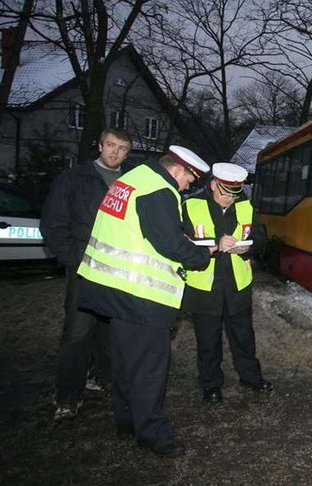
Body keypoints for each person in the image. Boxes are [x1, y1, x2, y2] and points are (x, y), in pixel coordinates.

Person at [76, 145, 214, 458]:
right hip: (142, 294)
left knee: (126, 364)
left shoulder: (132, 179)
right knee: (150, 368)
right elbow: (169, 243)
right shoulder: (159, 189)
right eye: (191, 179)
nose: (189, 185)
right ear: (178, 170)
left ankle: (127, 422)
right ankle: (153, 433)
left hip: (114, 288)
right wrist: (202, 254)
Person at [40, 127, 133, 421]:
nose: (115, 152)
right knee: (78, 331)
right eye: (110, 145)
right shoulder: (74, 179)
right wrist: (73, 260)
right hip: (84, 267)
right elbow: (53, 224)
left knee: (109, 329)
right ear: (99, 145)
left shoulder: (130, 184)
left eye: (122, 148)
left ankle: (101, 376)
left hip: (117, 270)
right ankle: (68, 394)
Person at [181, 162, 272, 403]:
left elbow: (260, 238)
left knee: (244, 338)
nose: (230, 199)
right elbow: (181, 244)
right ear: (213, 185)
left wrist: (246, 249)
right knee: (208, 341)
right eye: (225, 193)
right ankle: (211, 385)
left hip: (237, 286)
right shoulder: (190, 206)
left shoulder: (245, 206)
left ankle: (251, 378)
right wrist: (216, 244)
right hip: (204, 287)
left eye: (235, 193)